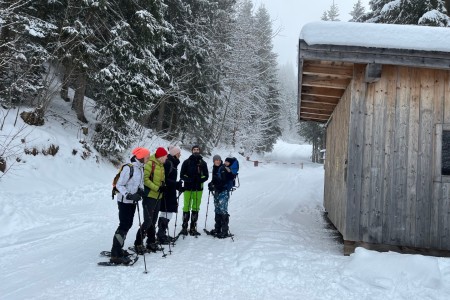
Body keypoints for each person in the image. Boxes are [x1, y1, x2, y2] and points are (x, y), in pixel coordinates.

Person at [109, 147, 150, 264]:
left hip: (132, 201)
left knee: (128, 224)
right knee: (124, 225)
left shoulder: (141, 168)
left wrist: (140, 191)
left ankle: (119, 249)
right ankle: (115, 254)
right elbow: (119, 185)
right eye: (147, 156)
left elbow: (140, 183)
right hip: (124, 201)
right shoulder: (128, 168)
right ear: (141, 157)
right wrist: (129, 195)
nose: (149, 158)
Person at [134, 147, 168, 253]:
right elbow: (145, 179)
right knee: (148, 221)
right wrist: (157, 188)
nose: (166, 158)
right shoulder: (150, 163)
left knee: (153, 220)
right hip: (149, 196)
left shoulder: (161, 165)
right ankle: (138, 243)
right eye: (165, 156)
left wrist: (163, 185)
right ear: (161, 157)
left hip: (158, 196)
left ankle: (151, 241)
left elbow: (161, 179)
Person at [179, 145, 209, 236]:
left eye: (197, 150)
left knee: (196, 207)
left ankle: (192, 228)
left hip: (198, 188)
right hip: (188, 188)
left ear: (199, 151)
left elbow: (206, 176)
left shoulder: (203, 163)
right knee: (186, 206)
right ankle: (184, 227)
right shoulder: (186, 162)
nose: (196, 151)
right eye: (194, 149)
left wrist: (199, 179)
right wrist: (189, 180)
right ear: (192, 151)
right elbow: (182, 175)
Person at [157, 145, 183, 244]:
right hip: (167, 192)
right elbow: (164, 179)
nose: (180, 154)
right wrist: (176, 184)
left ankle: (161, 234)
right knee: (168, 212)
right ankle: (161, 235)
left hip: (169, 191)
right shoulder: (169, 163)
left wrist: (177, 186)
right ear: (175, 154)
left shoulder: (172, 162)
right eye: (179, 153)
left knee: (165, 212)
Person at [208, 156, 236, 238]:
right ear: (213, 161)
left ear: (221, 160)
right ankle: (217, 229)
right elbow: (215, 180)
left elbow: (224, 181)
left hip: (223, 191)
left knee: (223, 210)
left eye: (219, 160)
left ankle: (224, 231)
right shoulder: (215, 168)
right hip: (217, 191)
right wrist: (211, 184)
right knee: (217, 209)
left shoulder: (223, 168)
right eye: (216, 160)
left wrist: (216, 186)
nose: (217, 161)